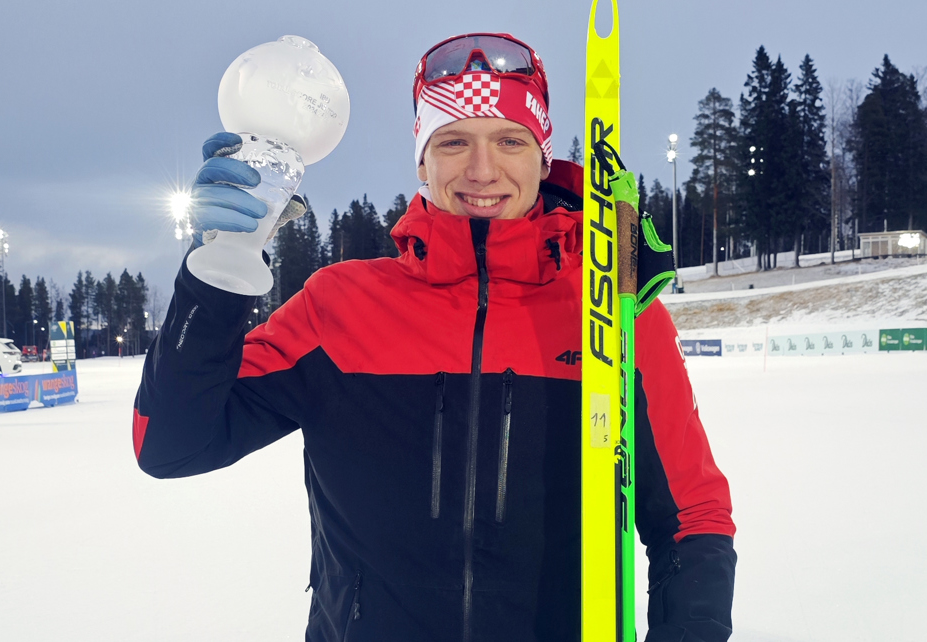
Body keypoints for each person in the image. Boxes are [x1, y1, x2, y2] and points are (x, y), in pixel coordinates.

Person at [134, 32, 735, 642]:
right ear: (423, 162)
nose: (482, 169)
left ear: (542, 156)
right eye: (453, 142)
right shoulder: (337, 306)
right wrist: (219, 268)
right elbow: (169, 443)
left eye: (509, 140)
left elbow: (694, 516)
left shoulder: (612, 313)